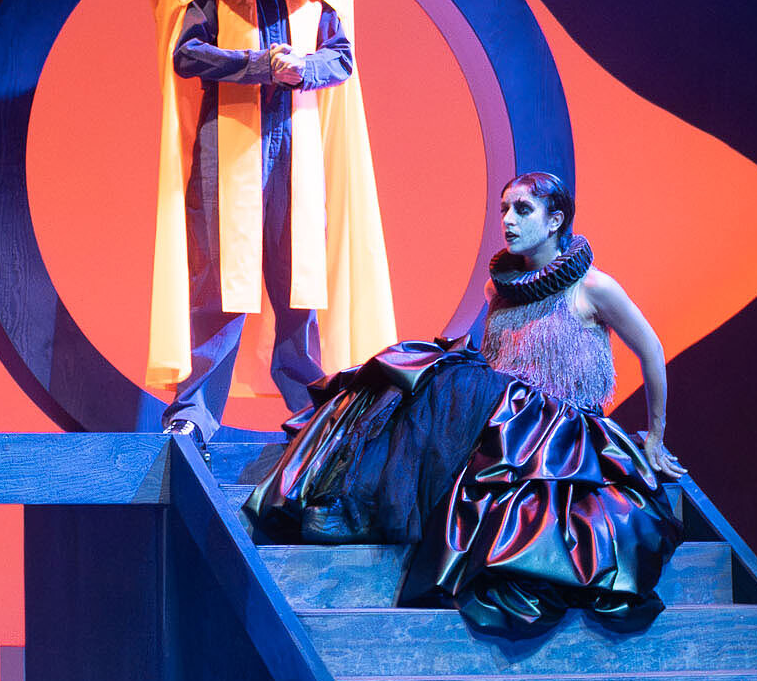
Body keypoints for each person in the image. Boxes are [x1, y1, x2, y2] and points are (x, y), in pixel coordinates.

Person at [250, 170, 690, 633]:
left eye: (523, 210)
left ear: (556, 220)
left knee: (447, 375)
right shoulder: (497, 288)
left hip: (563, 435)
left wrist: (655, 436)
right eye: (504, 209)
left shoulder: (594, 288)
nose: (508, 220)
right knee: (426, 370)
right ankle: (350, 507)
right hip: (510, 425)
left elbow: (651, 350)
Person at [150, 0, 397, 431]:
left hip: (295, 147)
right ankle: (192, 413)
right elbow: (187, 55)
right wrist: (259, 65)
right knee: (221, 278)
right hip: (225, 149)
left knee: (296, 278)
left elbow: (341, 57)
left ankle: (308, 409)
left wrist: (301, 68)